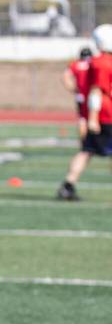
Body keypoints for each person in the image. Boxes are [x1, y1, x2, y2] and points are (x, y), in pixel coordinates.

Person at [59, 30, 112, 202]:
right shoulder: (104, 63)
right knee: (86, 151)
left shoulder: (98, 62)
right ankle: (67, 186)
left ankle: (68, 185)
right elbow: (97, 91)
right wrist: (93, 117)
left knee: (86, 151)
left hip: (101, 114)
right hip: (106, 115)